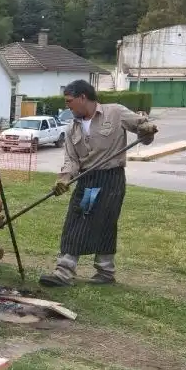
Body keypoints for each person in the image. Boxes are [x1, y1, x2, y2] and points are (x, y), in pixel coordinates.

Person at [39, 80, 157, 287]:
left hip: (111, 178)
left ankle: (104, 272)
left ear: (83, 97)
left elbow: (144, 132)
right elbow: (71, 160)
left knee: (105, 223)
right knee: (76, 221)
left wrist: (146, 130)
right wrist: (63, 179)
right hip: (86, 179)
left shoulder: (115, 112)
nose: (68, 106)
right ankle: (65, 271)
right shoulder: (71, 128)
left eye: (70, 101)